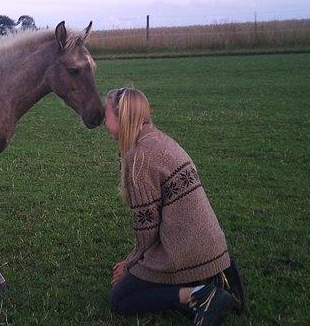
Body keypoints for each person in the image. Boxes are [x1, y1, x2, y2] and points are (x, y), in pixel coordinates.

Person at [105, 87, 246, 326]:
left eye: (106, 114)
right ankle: (216, 282)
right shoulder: (159, 139)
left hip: (184, 253)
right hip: (212, 249)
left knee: (120, 299)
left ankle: (199, 295)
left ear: (122, 118)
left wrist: (130, 265)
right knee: (136, 288)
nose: (102, 119)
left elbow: (147, 228)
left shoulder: (139, 159)